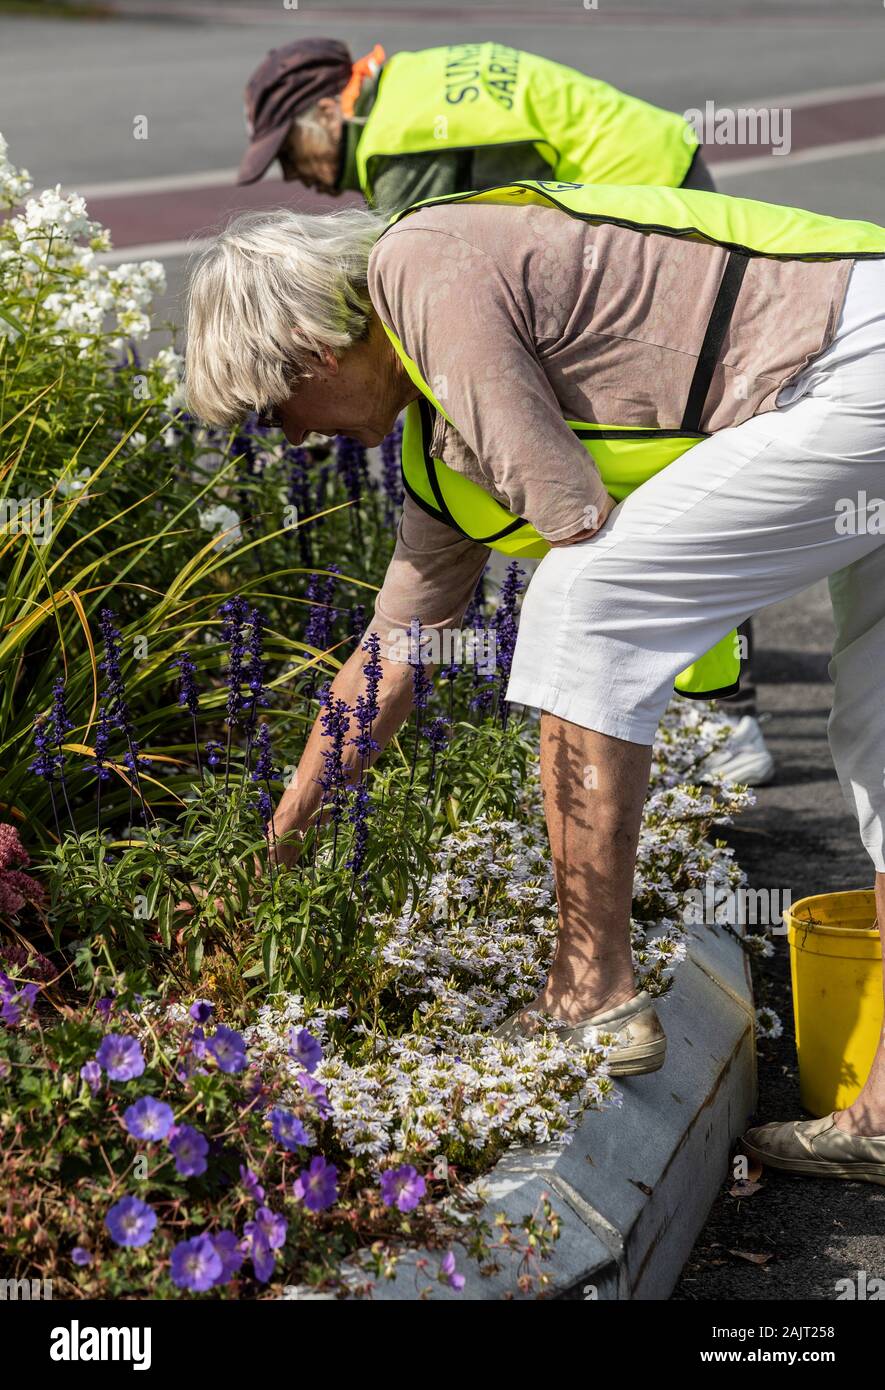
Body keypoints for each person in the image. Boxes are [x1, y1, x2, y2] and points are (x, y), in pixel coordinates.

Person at [185, 180, 885, 1181]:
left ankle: (587, 992)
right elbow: (393, 656)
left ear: (315, 351)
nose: (291, 441)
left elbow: (576, 528)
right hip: (855, 369)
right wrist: (281, 840)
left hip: (856, 358)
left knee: (583, 602)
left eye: (273, 409)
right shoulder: (435, 428)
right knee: (881, 729)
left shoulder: (423, 271)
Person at [237, 36, 773, 783]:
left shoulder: (400, 139)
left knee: (662, 454)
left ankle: (721, 715)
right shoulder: (412, 89)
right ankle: (704, 704)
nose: (304, 180)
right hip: (656, 167)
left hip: (643, 213)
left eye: (290, 154)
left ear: (328, 109)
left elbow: (419, 293)